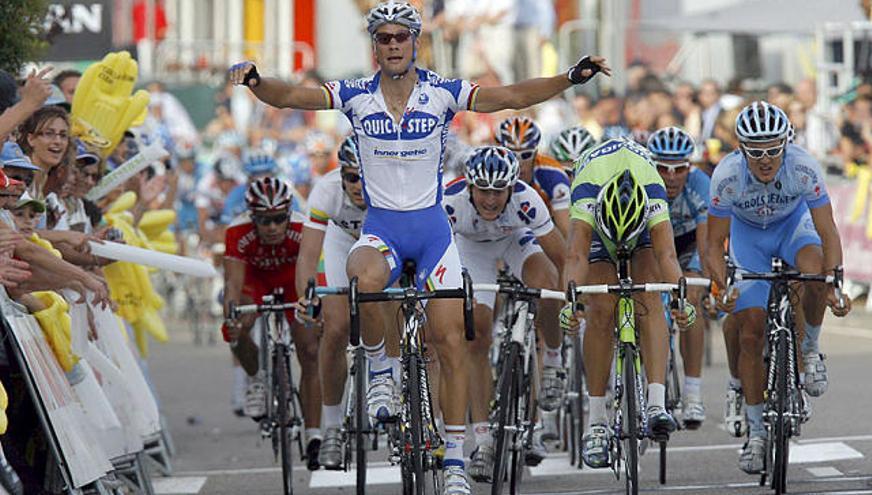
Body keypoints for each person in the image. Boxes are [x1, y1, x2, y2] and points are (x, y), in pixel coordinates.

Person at [228, 2, 609, 489]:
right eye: (383, 38)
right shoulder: (354, 94)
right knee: (360, 274)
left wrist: (570, 78)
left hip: (432, 234)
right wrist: (258, 81)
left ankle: (453, 461)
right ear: (374, 45)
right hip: (383, 228)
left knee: (452, 343)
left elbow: (510, 94)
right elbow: (293, 97)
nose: (392, 45)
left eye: (399, 37)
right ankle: (382, 369)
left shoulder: (442, 93)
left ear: (414, 42)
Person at [704, 101, 851, 475]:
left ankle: (811, 350)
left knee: (814, 272)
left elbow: (828, 229)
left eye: (773, 149)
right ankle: (756, 435)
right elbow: (712, 243)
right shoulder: (726, 176)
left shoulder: (803, 167)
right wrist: (722, 286)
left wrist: (834, 281)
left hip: (792, 229)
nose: (765, 159)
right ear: (741, 149)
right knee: (751, 332)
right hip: (748, 240)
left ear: (786, 144)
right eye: (755, 152)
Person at [559, 138, 695, 469]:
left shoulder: (653, 188)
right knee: (600, 308)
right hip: (600, 233)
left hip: (641, 230)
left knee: (649, 295)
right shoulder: (586, 189)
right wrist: (571, 302)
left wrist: (681, 299)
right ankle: (596, 422)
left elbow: (667, 255)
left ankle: (656, 404)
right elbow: (576, 255)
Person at [442, 146, 566, 480]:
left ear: (512, 187)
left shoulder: (526, 199)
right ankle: (483, 441)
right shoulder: (449, 202)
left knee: (549, 284)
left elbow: (560, 255)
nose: (491, 199)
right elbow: (435, 256)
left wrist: (575, 297)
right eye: (483, 190)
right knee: (477, 335)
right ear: (470, 186)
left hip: (516, 240)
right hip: (471, 250)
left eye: (499, 191)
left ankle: (552, 358)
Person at [222, 177, 323, 470]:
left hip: (294, 282)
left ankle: (314, 435)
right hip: (254, 282)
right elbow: (233, 284)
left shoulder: (303, 227)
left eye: (279, 219)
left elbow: (316, 277)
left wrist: (316, 310)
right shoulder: (237, 231)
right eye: (264, 221)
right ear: (252, 218)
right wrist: (232, 317)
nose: (273, 227)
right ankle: (255, 379)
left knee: (309, 348)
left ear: (288, 214)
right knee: (236, 325)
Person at [293, 136, 368, 469]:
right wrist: (305, 298)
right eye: (351, 176)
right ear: (342, 175)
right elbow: (308, 254)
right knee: (336, 328)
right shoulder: (326, 190)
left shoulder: (393, 187)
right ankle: (333, 426)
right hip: (340, 240)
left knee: (391, 306)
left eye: (364, 176)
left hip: (381, 237)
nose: (358, 184)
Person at [646, 126, 710, 429]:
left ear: (690, 167)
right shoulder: (641, 183)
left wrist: (697, 277)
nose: (671, 176)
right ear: (652, 165)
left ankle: (693, 394)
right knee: (648, 304)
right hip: (652, 244)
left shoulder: (700, 185)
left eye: (679, 169)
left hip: (688, 244)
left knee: (691, 300)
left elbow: (707, 241)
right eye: (663, 168)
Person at [495, 116, 572, 237]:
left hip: (545, 230)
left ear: (536, 153)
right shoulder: (489, 171)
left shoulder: (552, 174)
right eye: (512, 155)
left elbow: (567, 231)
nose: (519, 162)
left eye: (526, 154)